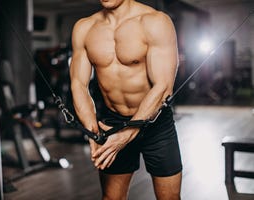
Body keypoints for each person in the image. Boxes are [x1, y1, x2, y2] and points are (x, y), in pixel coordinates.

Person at [70, 0, 182, 199]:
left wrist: (128, 132)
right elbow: (78, 84)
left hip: (156, 125)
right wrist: (92, 130)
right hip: (112, 123)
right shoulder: (84, 27)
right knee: (112, 198)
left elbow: (163, 86)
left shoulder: (155, 22)